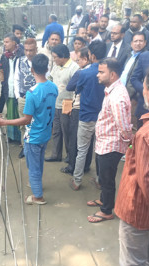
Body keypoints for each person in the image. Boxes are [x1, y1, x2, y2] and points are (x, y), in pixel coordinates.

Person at [115, 64, 149, 266]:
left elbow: (148, 183)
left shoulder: (147, 134)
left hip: (140, 212)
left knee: (134, 264)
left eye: (144, 87)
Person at [0, 54, 58, 205]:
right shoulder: (53, 87)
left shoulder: (32, 93)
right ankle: (37, 185)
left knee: (33, 166)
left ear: (32, 69)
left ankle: (38, 197)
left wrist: (4, 122)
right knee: (38, 161)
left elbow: (26, 119)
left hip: (34, 136)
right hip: (46, 132)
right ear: (47, 68)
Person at [87, 58, 132, 223]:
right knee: (103, 176)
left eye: (101, 72)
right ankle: (104, 200)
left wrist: (129, 142)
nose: (97, 75)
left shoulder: (117, 96)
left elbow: (124, 125)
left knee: (107, 179)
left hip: (111, 146)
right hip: (104, 143)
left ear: (112, 74)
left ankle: (106, 211)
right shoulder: (112, 90)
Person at [70, 40, 106, 191]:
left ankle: (77, 181)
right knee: (100, 150)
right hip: (103, 117)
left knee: (82, 150)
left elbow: (76, 90)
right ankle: (99, 180)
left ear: (92, 55)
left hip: (86, 116)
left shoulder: (85, 73)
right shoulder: (109, 73)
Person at [61, 47, 93, 175]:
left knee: (74, 138)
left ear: (85, 59)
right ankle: (86, 165)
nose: (77, 62)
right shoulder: (97, 70)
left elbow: (70, 87)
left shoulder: (81, 72)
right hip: (92, 109)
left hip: (79, 108)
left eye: (78, 60)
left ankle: (72, 166)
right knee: (89, 140)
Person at [45, 44, 79, 162]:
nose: (54, 60)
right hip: (56, 104)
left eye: (55, 57)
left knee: (68, 132)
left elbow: (76, 89)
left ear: (63, 56)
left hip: (67, 105)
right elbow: (50, 79)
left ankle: (70, 157)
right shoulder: (56, 66)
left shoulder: (74, 68)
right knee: (56, 131)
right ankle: (56, 154)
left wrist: (73, 106)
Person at [14, 38, 37, 158]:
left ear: (36, 49)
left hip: (37, 98)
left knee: (36, 122)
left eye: (31, 50)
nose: (29, 53)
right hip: (23, 97)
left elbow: (47, 78)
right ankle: (25, 147)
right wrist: (18, 96)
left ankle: (36, 146)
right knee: (24, 124)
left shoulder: (40, 61)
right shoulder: (19, 61)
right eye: (27, 50)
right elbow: (16, 79)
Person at [0, 33, 24, 141]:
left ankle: (20, 137)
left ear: (14, 42)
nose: (5, 44)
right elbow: (1, 70)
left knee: (19, 113)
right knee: (10, 112)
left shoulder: (21, 55)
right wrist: (3, 82)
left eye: (7, 42)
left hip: (18, 87)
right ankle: (11, 136)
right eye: (4, 42)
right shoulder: (4, 56)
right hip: (8, 87)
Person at [120, 32, 147, 129]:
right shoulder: (130, 55)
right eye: (135, 41)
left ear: (145, 43)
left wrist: (128, 95)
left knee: (132, 125)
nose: (138, 43)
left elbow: (135, 79)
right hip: (122, 94)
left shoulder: (145, 57)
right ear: (131, 43)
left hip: (133, 97)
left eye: (141, 41)